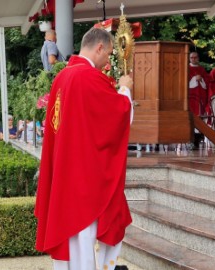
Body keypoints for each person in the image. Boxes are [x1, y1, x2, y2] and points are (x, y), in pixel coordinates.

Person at [35, 27, 133, 270]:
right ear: (99, 47)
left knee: (70, 239)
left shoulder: (62, 77)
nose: (107, 61)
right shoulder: (87, 77)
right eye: (108, 54)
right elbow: (117, 115)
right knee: (81, 234)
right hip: (83, 176)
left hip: (64, 171)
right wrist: (126, 88)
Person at [188, 51, 209, 116]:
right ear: (189, 58)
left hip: (201, 95)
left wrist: (201, 79)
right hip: (191, 95)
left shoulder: (202, 69)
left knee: (201, 114)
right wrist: (194, 79)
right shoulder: (186, 69)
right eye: (191, 58)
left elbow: (207, 81)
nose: (193, 59)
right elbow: (183, 82)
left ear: (198, 58)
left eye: (195, 57)